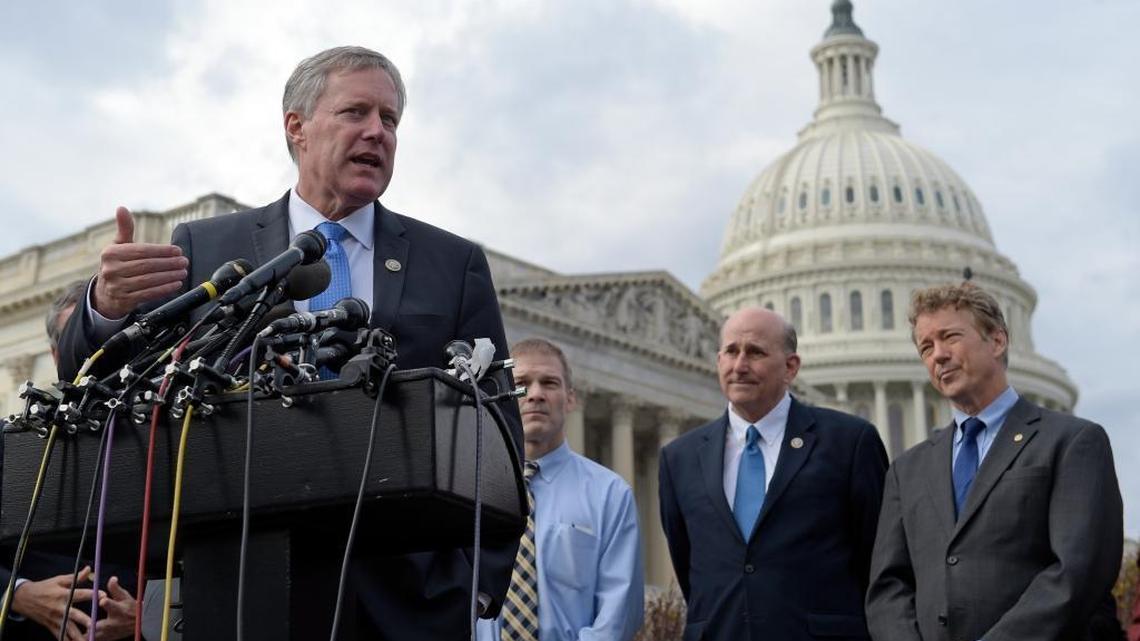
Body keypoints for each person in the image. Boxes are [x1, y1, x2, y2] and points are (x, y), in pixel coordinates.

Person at [54, 46, 522, 639]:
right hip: (241, 588)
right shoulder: (210, 247)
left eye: (391, 119)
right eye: (356, 112)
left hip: (408, 603)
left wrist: (475, 584)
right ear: (296, 128)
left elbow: (498, 427)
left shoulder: (451, 264)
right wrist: (105, 308)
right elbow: (92, 383)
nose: (377, 132)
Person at [866, 282, 1124, 641]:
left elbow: (1076, 572)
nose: (937, 354)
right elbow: (888, 587)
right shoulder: (907, 470)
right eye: (926, 346)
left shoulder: (1070, 443)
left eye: (950, 337)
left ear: (998, 341)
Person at [658, 307, 888, 641]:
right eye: (731, 352)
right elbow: (689, 565)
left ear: (790, 367)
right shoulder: (679, 458)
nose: (740, 366)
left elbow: (879, 561)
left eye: (755, 353)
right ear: (718, 360)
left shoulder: (849, 442)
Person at [475, 338, 644, 641]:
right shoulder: (469, 489)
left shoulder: (610, 494)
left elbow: (618, 616)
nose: (536, 394)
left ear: (570, 399)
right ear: (504, 396)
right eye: (523, 382)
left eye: (549, 383)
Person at [0, 281, 137, 641]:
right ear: (56, 353)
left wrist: (147, 614)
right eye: (79, 342)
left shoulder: (169, 431)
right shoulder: (10, 440)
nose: (94, 357)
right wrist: (19, 594)